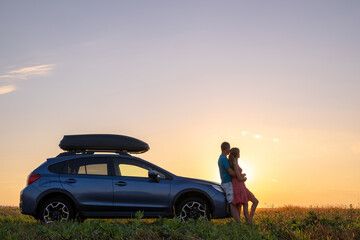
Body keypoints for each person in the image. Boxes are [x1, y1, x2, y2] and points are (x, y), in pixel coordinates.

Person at [228, 147, 259, 223]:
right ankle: (248, 221)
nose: (239, 154)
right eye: (239, 152)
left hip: (241, 185)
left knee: (254, 201)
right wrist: (244, 178)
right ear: (237, 154)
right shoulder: (234, 163)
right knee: (245, 203)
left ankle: (250, 220)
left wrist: (242, 175)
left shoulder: (235, 162)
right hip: (238, 184)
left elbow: (237, 175)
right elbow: (238, 177)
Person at [218, 142, 241, 222]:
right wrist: (239, 176)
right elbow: (230, 172)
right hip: (227, 183)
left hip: (225, 182)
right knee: (232, 203)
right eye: (229, 149)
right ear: (227, 149)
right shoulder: (224, 159)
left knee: (233, 202)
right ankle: (238, 222)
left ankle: (238, 220)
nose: (229, 151)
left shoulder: (221, 158)